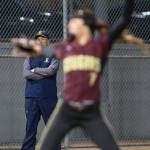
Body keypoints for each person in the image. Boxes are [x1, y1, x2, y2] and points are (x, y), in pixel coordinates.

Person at [13, 0, 134, 149]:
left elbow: (124, 21)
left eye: (74, 21)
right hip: (66, 110)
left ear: (84, 25)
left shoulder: (100, 44)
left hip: (91, 112)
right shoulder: (66, 46)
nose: (70, 24)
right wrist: (29, 47)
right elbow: (47, 51)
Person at [21, 31, 60, 150]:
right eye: (37, 38)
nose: (39, 40)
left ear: (48, 41)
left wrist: (35, 70)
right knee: (30, 128)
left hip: (48, 97)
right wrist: (42, 73)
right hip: (32, 97)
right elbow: (26, 73)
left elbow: (52, 70)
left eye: (43, 38)